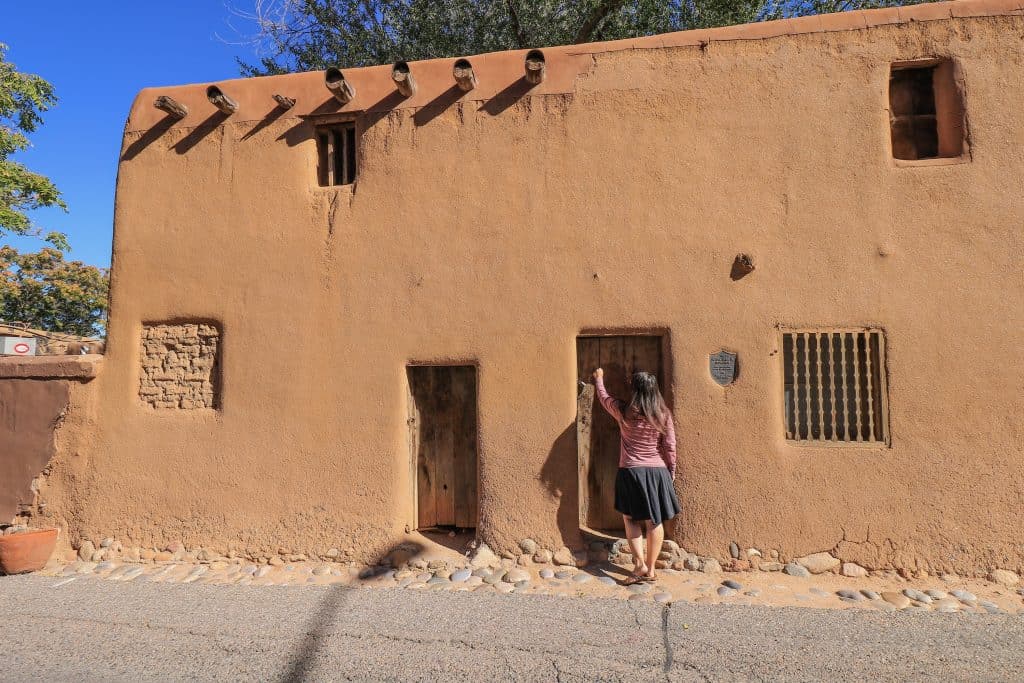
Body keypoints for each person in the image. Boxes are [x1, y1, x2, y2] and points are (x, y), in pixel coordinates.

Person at [593, 367, 680, 584]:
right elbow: (670, 446)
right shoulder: (663, 414)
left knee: (631, 519)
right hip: (657, 472)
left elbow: (604, 399)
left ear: (635, 389)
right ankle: (650, 569)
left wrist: (599, 379)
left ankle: (639, 564)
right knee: (654, 520)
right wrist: (671, 471)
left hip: (631, 471)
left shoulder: (623, 411)